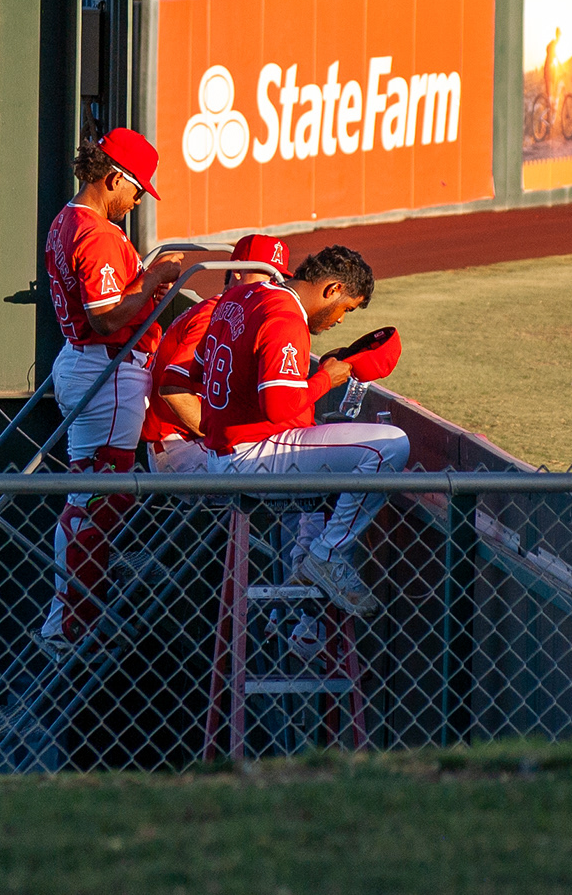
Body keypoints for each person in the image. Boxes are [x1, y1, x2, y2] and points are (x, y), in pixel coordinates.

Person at [197, 244, 408, 616]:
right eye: (346, 307)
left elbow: (205, 366)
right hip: (251, 458)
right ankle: (327, 556)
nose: (341, 320)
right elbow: (278, 406)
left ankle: (305, 617)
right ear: (331, 289)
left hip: (222, 452)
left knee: (330, 452)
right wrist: (326, 379)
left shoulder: (242, 295)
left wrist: (314, 376)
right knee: (390, 445)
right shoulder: (286, 316)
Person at [40, 129, 185, 651]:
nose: (139, 197)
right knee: (105, 495)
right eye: (136, 187)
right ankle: (73, 616)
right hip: (109, 371)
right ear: (112, 178)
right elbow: (105, 318)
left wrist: (144, 282)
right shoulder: (97, 233)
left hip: (86, 365)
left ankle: (66, 610)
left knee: (85, 493)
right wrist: (148, 287)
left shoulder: (68, 218)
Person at [141, 233, 291, 474]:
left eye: (278, 278)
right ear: (238, 272)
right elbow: (174, 391)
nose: (273, 286)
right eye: (266, 276)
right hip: (178, 443)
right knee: (274, 471)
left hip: (186, 439)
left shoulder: (225, 309)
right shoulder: (215, 314)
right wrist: (223, 433)